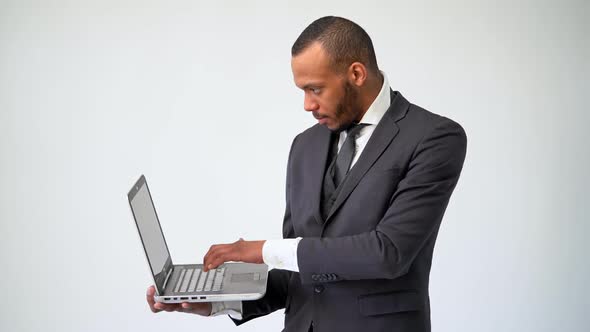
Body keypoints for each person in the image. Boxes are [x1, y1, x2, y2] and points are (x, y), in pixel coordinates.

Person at [146, 16, 467, 332]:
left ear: (356, 73)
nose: (306, 105)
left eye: (315, 89)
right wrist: (218, 302)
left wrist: (262, 250)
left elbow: (389, 253)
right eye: (302, 90)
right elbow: (299, 269)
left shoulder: (434, 138)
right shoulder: (305, 145)